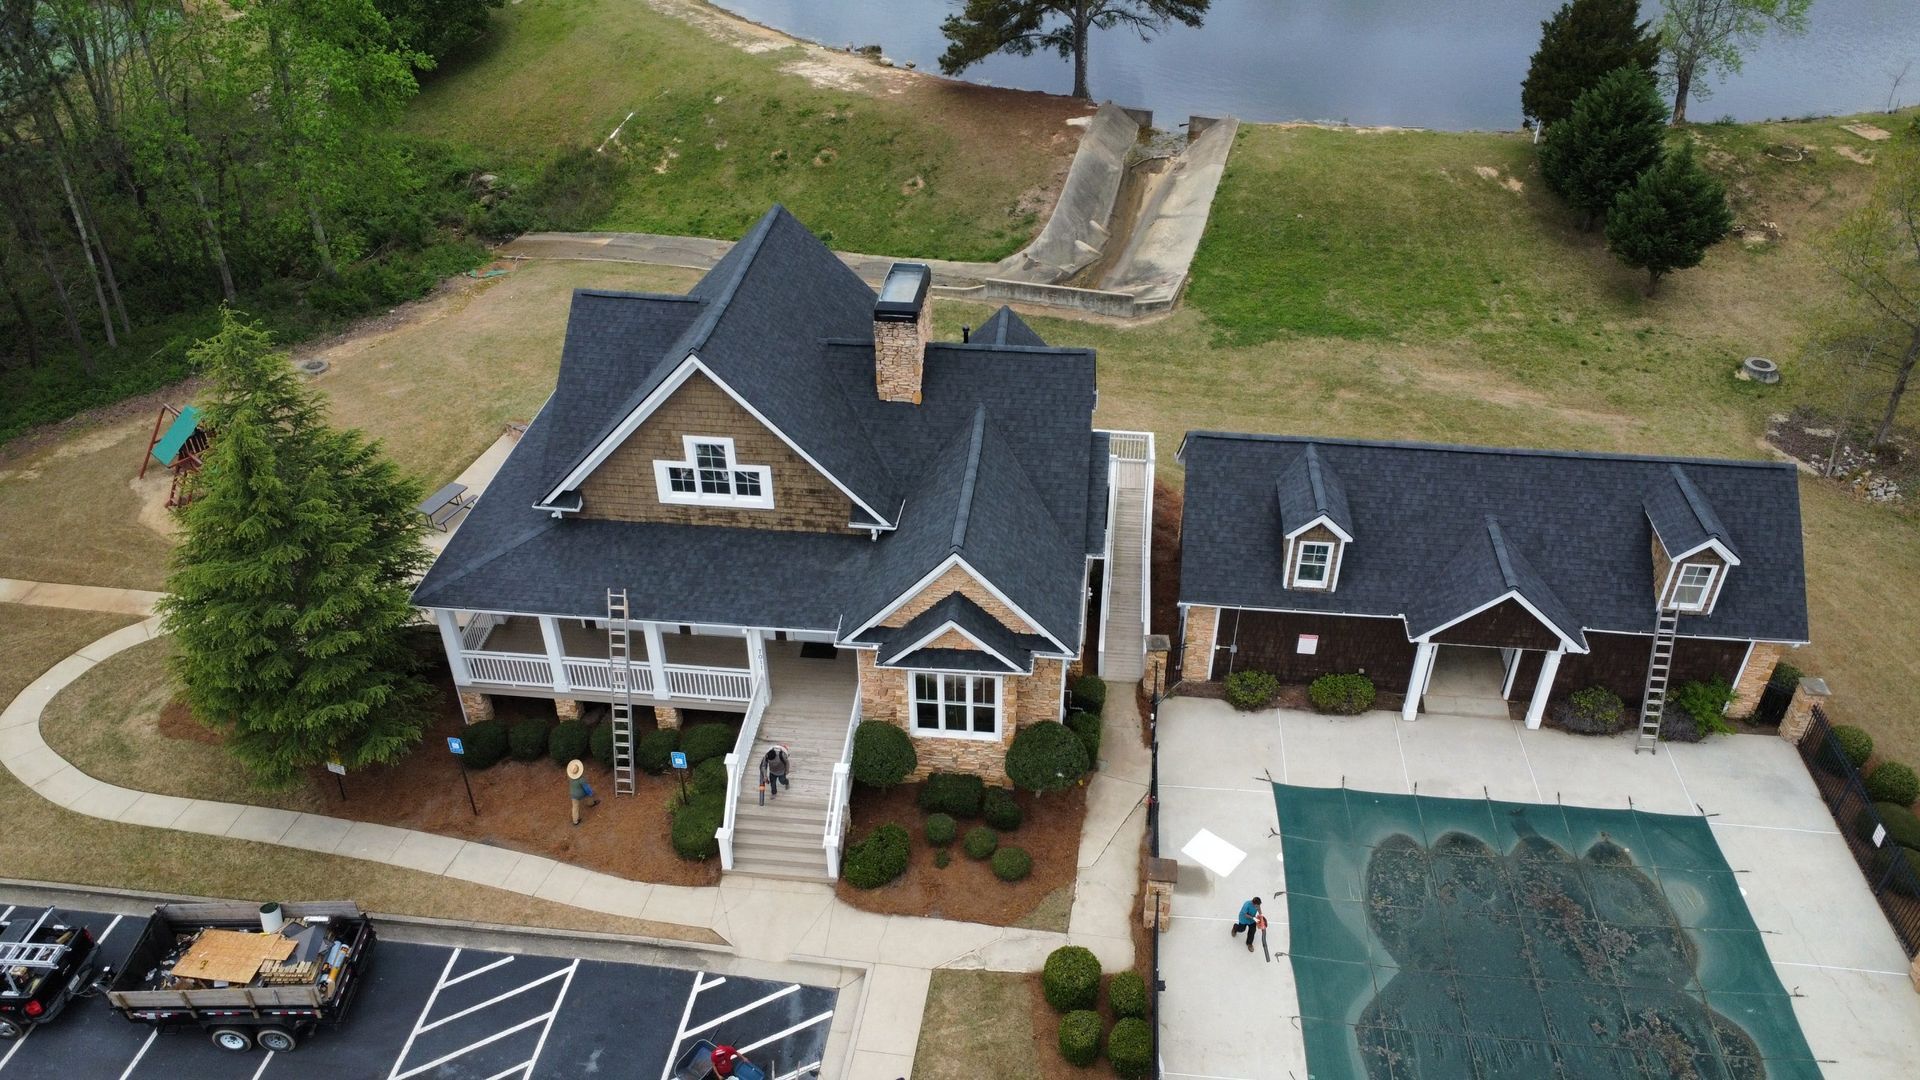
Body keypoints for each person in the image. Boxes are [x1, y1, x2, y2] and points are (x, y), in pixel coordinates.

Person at [566, 759, 598, 826]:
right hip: (581, 794)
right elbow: (586, 788)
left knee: (575, 807)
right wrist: (590, 793)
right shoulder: (581, 779)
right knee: (588, 794)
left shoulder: (570, 778)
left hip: (573, 794)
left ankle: (575, 821)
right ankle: (591, 803)